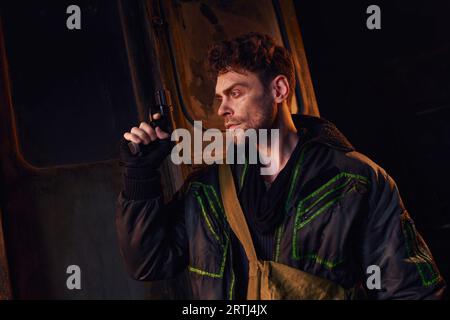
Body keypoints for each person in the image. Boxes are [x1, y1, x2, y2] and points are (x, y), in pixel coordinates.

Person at [116, 32, 445, 299]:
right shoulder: (208, 189)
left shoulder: (356, 181)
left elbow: (412, 291)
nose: (223, 110)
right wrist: (140, 175)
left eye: (236, 92)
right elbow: (149, 263)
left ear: (279, 89)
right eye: (220, 97)